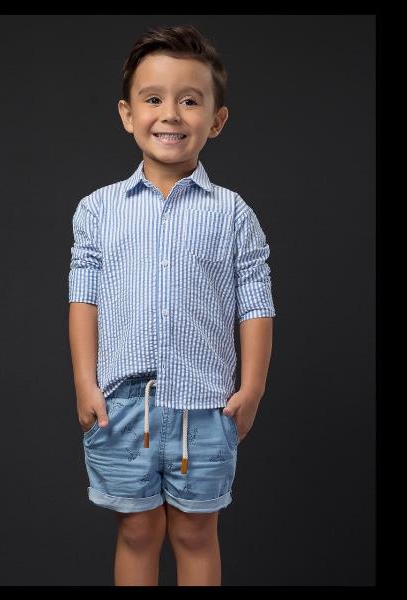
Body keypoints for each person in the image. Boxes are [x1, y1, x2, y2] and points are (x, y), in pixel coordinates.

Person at [68, 24, 276, 586]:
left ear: (216, 120)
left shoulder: (233, 214)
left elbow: (255, 303)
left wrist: (253, 388)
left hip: (205, 405)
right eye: (153, 99)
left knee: (195, 533)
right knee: (137, 532)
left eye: (189, 101)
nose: (170, 115)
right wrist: (85, 382)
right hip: (121, 403)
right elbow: (83, 299)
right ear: (127, 114)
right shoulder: (97, 210)